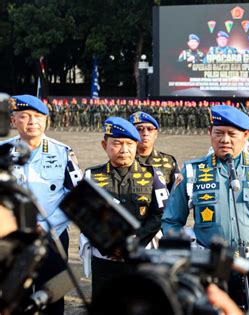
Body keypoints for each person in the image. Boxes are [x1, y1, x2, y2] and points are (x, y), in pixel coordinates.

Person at [162, 105, 249, 314]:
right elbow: (171, 221)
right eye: (219, 133)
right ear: (209, 133)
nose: (225, 140)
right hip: (208, 268)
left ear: (246, 135)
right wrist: (185, 259)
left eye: (232, 134)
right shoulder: (192, 171)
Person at [1, 94, 82, 315]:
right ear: (13, 121)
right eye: (24, 116)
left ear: (46, 121)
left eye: (38, 116)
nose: (31, 122)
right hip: (13, 240)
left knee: (52, 298)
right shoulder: (3, 152)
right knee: (14, 298)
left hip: (53, 238)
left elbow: (78, 196)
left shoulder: (63, 153)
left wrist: (45, 225)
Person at [83, 117, 169, 299]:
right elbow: (85, 216)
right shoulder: (91, 176)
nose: (124, 149)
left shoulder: (153, 175)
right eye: (117, 143)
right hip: (105, 258)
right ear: (104, 145)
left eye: (129, 144)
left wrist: (134, 244)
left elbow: (160, 214)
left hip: (141, 256)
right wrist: (110, 246)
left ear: (136, 145)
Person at [129, 111, 179, 191]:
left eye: (150, 129)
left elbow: (177, 195)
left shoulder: (169, 162)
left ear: (155, 134)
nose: (145, 133)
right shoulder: (123, 160)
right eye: (139, 129)